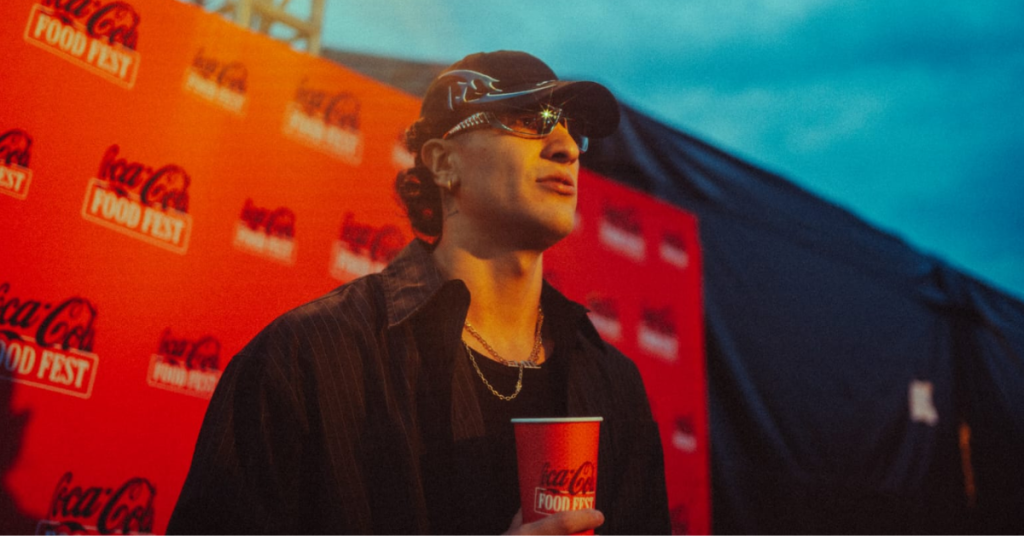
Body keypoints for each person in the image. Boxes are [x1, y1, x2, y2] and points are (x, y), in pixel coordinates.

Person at [167, 50, 670, 535]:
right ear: (444, 163)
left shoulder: (612, 380)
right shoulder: (304, 356)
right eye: (529, 119)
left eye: (572, 130)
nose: (565, 148)